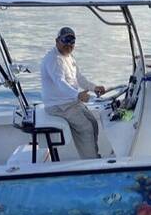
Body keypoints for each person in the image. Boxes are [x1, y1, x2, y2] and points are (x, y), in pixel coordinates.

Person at [40, 27, 106, 159]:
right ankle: (90, 162)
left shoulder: (69, 57)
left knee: (93, 122)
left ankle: (93, 156)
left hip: (70, 102)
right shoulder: (53, 59)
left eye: (72, 41)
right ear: (57, 41)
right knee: (86, 128)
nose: (69, 44)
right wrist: (77, 95)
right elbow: (60, 82)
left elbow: (79, 78)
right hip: (59, 106)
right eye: (65, 40)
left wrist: (94, 87)